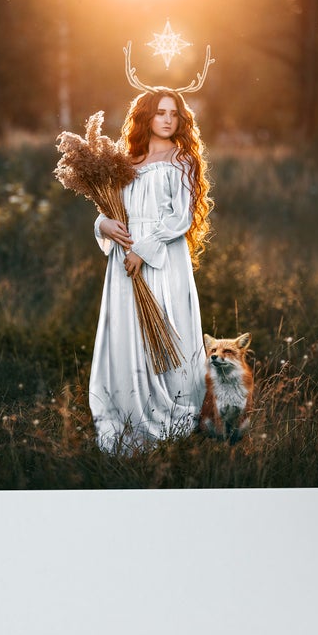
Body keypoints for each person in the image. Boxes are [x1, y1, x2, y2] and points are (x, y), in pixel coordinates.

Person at [89, 88, 212, 450]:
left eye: (174, 113)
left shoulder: (182, 160)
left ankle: (174, 409)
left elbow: (181, 217)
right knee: (128, 332)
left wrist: (142, 251)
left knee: (168, 327)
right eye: (160, 112)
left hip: (161, 259)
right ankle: (129, 408)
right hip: (123, 260)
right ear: (146, 116)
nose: (168, 120)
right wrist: (102, 225)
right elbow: (109, 209)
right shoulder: (125, 161)